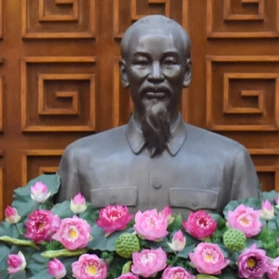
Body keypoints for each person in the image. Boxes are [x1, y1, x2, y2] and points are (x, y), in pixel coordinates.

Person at [56, 15, 260, 215]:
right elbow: (58, 243)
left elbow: (252, 245)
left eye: (169, 63)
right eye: (142, 63)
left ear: (187, 72)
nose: (155, 76)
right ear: (125, 74)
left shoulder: (231, 161)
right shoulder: (81, 159)